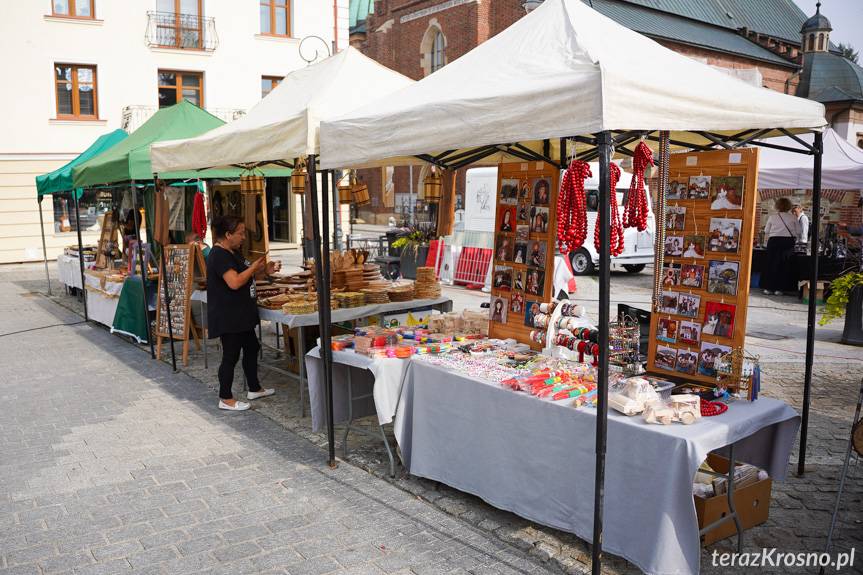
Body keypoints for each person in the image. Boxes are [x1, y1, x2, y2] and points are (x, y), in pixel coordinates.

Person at [207, 215, 280, 411]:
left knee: (252, 347)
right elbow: (235, 282)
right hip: (229, 315)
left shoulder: (234, 252)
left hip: (241, 314)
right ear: (228, 234)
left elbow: (246, 274)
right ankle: (225, 397)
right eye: (240, 233)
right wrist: (255, 267)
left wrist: (265, 271)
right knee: (230, 355)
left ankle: (254, 388)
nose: (243, 237)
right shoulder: (219, 255)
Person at [760, 197, 801, 296]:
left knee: (771, 264)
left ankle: (768, 288)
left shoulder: (772, 217)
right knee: (784, 265)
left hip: (774, 241)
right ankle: (780, 289)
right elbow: (799, 232)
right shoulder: (793, 217)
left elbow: (766, 231)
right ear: (789, 206)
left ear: (777, 206)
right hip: (788, 242)